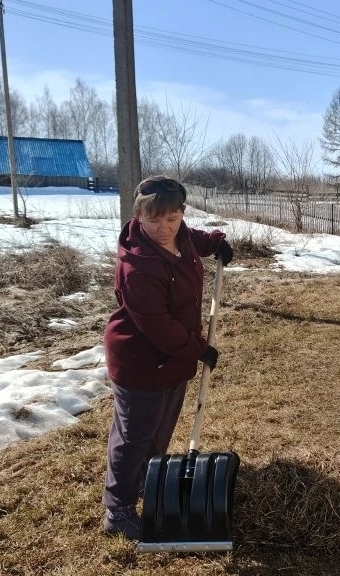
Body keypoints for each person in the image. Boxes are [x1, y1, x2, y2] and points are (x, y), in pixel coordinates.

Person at [101, 176, 234, 539]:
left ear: (181, 214)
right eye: (154, 221)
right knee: (134, 435)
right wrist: (198, 349)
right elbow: (158, 327)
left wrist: (216, 243)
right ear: (139, 216)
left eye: (172, 219)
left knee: (159, 430)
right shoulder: (138, 266)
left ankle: (147, 480)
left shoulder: (180, 235)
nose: (164, 229)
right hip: (140, 359)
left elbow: (192, 240)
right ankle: (118, 508)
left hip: (174, 360)